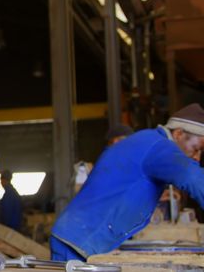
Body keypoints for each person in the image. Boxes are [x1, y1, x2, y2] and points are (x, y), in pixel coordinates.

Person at [50, 103, 204, 261]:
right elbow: (195, 178)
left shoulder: (148, 141)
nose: (197, 158)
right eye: (196, 148)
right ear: (178, 134)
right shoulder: (159, 147)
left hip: (79, 237)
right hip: (81, 240)